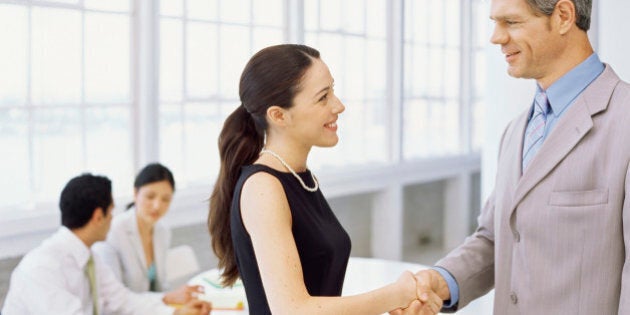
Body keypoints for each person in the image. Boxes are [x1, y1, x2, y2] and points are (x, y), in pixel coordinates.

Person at [392, 0, 630, 314]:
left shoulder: (624, 120)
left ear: (563, 16)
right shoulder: (517, 130)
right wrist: (443, 279)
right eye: (495, 22)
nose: (496, 37)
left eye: (511, 22)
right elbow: (497, 237)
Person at [207, 44, 442, 314]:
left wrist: (402, 300)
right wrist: (397, 295)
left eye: (333, 90)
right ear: (278, 115)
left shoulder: (300, 178)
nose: (338, 105)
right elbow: (293, 310)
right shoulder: (263, 188)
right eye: (323, 97)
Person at [1, 173, 211, 315]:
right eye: (111, 211)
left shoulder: (89, 259)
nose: (113, 218)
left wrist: (173, 311)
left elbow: (122, 301)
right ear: (98, 216)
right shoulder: (42, 267)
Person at [93, 163, 202, 304]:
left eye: (166, 199)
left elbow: (159, 286)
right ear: (135, 193)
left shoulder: (162, 231)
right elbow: (113, 300)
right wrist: (166, 298)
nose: (157, 205)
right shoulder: (113, 232)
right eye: (150, 197)